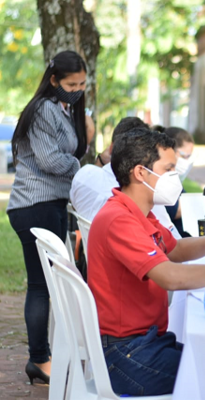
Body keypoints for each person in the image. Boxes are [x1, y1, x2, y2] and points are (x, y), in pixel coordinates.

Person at [87, 128, 205, 396]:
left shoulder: (138, 212)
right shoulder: (119, 219)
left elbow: (175, 249)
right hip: (125, 355)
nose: (176, 176)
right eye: (169, 168)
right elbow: (170, 276)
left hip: (147, 343)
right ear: (140, 173)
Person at [7, 50, 89, 384]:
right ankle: (39, 360)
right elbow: (51, 161)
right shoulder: (43, 109)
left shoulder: (62, 108)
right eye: (72, 84)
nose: (78, 89)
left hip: (49, 204)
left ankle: (45, 355)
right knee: (42, 287)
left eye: (83, 83)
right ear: (54, 81)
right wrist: (82, 169)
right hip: (34, 205)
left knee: (50, 285)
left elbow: (65, 155)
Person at [70, 117, 181, 237]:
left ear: (111, 148)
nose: (173, 174)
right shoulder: (143, 198)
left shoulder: (84, 175)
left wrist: (100, 161)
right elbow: (173, 245)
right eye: (168, 169)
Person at [163, 126, 195, 237]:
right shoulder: (162, 178)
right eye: (184, 156)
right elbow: (174, 210)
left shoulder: (175, 180)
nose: (187, 161)